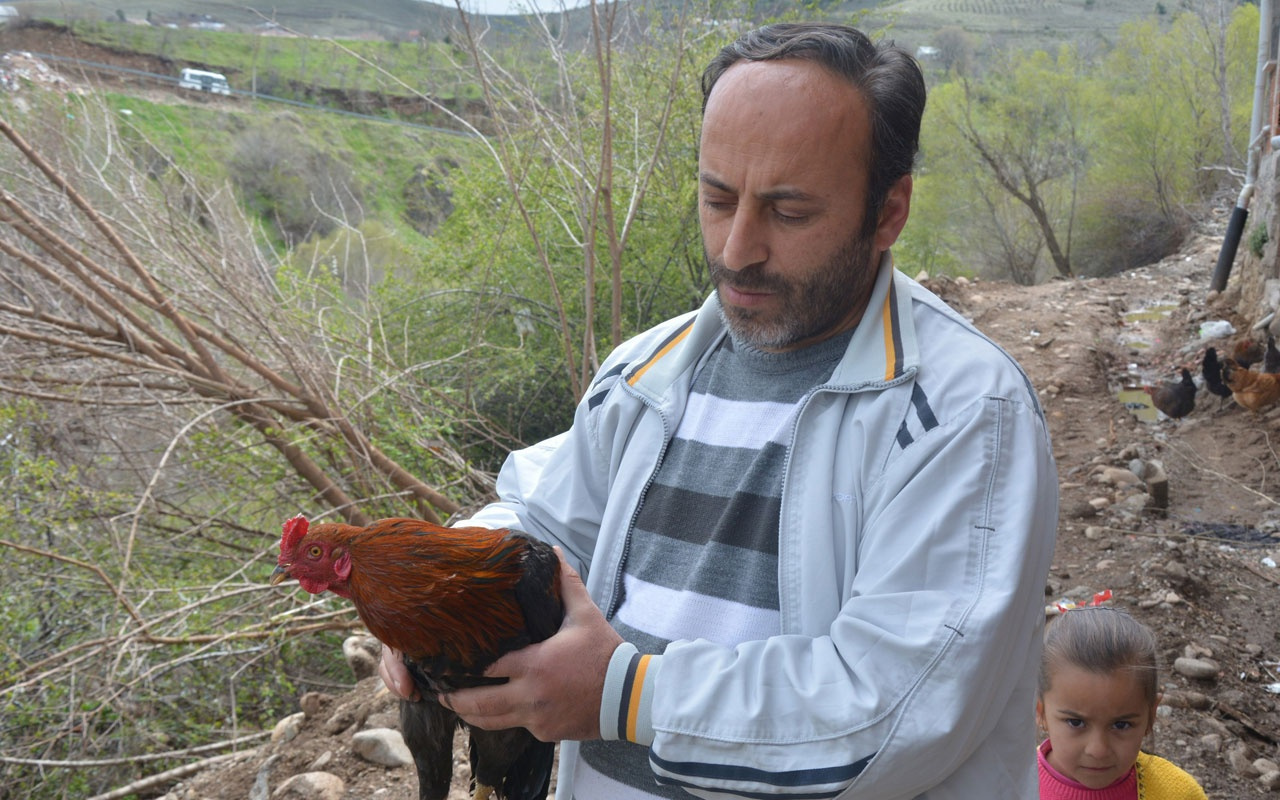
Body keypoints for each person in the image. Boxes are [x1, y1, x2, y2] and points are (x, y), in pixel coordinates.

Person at [381, 22, 1058, 799]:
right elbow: (544, 519)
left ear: (888, 211)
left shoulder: (967, 412)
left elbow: (892, 710)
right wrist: (442, 590)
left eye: (789, 211)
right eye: (716, 197)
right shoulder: (642, 372)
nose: (737, 249)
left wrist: (627, 694)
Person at [1037, 607, 1208, 799]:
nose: (1098, 750)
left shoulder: (1178, 794)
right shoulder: (1008, 784)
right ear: (1040, 712)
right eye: (1076, 722)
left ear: (1151, 716)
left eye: (1121, 725)